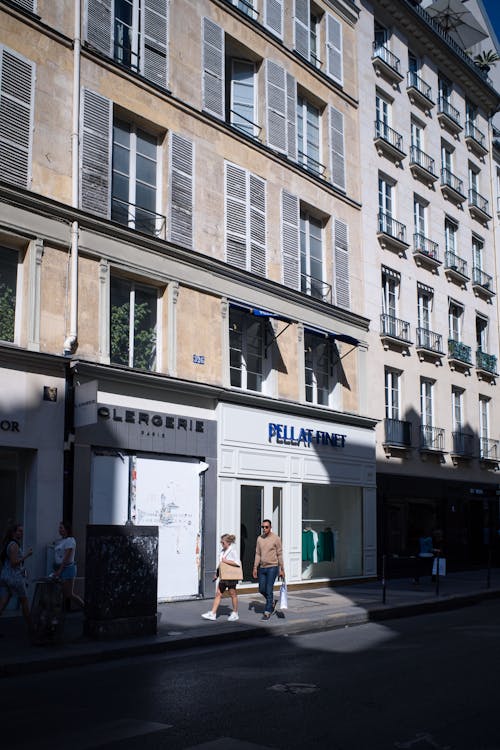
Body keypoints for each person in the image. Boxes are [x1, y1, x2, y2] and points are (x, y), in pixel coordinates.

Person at [0, 522, 33, 630]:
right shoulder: (14, 545)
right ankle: (31, 627)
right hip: (15, 577)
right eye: (19, 531)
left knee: (4, 600)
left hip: (5, 576)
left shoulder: (8, 544)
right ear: (14, 532)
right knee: (24, 601)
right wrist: (26, 555)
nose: (21, 533)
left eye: (22, 531)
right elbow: (14, 562)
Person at [201, 533, 241, 621]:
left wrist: (226, 560)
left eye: (223, 542)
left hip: (231, 576)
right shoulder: (222, 551)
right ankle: (213, 613)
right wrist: (217, 573)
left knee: (232, 594)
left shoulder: (232, 551)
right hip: (223, 576)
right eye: (221, 542)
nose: (221, 544)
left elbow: (237, 563)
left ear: (228, 543)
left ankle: (235, 613)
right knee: (218, 593)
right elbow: (221, 564)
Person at [252, 519, 284, 620]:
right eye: (263, 527)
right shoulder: (259, 539)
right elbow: (257, 553)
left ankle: (267, 611)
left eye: (266, 527)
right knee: (262, 589)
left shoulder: (276, 538)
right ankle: (272, 602)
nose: (264, 529)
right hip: (262, 567)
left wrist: (282, 569)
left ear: (270, 527)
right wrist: (255, 568)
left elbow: (279, 554)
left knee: (269, 589)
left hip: (272, 567)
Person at [52, 521, 84, 610]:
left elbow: (66, 557)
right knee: (61, 593)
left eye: (61, 528)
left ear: (66, 530)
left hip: (67, 569)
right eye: (59, 528)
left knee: (69, 594)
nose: (59, 530)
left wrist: (60, 571)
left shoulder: (70, 540)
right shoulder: (60, 541)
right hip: (60, 568)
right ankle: (57, 614)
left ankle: (86, 608)